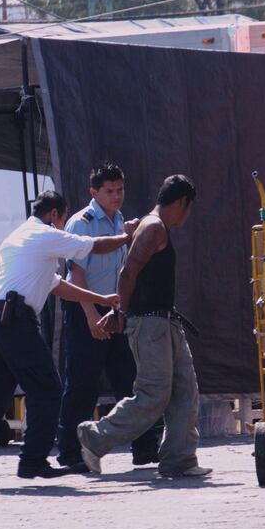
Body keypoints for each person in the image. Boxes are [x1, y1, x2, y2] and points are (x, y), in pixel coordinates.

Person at [0, 190, 130, 489]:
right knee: (47, 389)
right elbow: (95, 246)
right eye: (62, 220)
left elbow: (58, 286)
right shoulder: (45, 234)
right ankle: (33, 460)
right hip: (15, 321)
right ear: (54, 214)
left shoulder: (20, 237)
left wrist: (101, 298)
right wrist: (127, 236)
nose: (62, 227)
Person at [78, 175, 212, 478]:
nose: (186, 216)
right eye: (188, 208)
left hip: (165, 322)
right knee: (153, 395)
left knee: (185, 391)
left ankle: (179, 459)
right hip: (150, 325)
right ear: (182, 202)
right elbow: (128, 273)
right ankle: (95, 437)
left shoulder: (154, 226)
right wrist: (120, 312)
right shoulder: (153, 228)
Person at [56, 162, 161, 471]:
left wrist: (121, 310)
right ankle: (71, 452)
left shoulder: (120, 222)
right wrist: (91, 315)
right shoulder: (82, 223)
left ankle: (144, 447)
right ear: (94, 193)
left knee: (130, 380)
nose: (117, 196)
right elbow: (76, 274)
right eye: (110, 191)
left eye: (120, 190)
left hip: (116, 307)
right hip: (85, 307)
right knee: (82, 383)